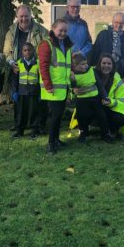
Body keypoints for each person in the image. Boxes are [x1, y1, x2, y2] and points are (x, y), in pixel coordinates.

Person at [3, 4, 49, 131]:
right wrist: (12, 63)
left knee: (37, 99)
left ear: (31, 16)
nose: (24, 19)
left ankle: (39, 124)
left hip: (36, 69)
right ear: (17, 16)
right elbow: (7, 52)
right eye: (21, 16)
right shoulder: (10, 32)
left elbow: (47, 50)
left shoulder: (42, 31)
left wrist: (38, 65)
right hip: (17, 70)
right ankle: (19, 124)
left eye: (26, 16)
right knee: (19, 99)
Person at [38, 18, 73, 155]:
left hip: (62, 87)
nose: (63, 33)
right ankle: (51, 144)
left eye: (65, 31)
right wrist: (48, 84)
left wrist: (71, 73)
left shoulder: (66, 44)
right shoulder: (46, 44)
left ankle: (56, 140)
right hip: (52, 88)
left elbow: (66, 64)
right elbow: (43, 66)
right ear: (53, 28)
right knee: (54, 116)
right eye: (60, 30)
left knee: (58, 116)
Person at [70, 52, 113, 143]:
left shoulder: (92, 71)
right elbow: (71, 87)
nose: (86, 66)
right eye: (83, 64)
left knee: (102, 116)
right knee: (81, 118)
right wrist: (73, 83)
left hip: (95, 99)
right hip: (81, 101)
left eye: (86, 63)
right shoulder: (72, 75)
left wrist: (105, 96)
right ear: (75, 66)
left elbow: (99, 85)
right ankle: (83, 134)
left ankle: (105, 134)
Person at [96, 54, 124, 137]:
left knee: (120, 119)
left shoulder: (118, 80)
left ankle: (112, 130)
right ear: (99, 64)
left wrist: (110, 102)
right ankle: (84, 129)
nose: (106, 66)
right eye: (104, 63)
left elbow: (122, 104)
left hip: (109, 109)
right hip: (94, 107)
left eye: (109, 64)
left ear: (113, 66)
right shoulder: (92, 75)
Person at [11, 43, 40, 139]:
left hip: (33, 92)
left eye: (29, 50)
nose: (27, 52)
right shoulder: (18, 63)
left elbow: (41, 79)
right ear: (22, 52)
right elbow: (14, 79)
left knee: (34, 111)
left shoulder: (38, 63)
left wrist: (41, 93)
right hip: (21, 92)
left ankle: (34, 130)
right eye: (25, 50)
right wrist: (14, 91)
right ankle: (19, 130)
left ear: (33, 51)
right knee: (20, 112)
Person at [91, 12, 124, 79]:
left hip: (118, 70)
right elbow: (95, 52)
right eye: (116, 22)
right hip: (103, 68)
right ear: (112, 22)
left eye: (121, 23)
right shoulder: (103, 34)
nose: (118, 25)